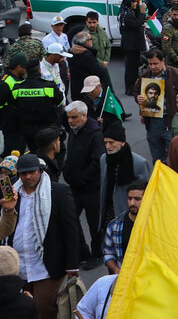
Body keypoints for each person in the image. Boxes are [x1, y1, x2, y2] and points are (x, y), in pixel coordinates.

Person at [10, 152, 81, 319]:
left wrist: (72, 264)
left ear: (40, 171)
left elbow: (71, 229)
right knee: (27, 311)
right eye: (22, 174)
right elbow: (3, 227)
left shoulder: (57, 192)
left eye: (31, 172)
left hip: (47, 264)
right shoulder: (12, 194)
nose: (27, 177)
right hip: (20, 264)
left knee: (45, 309)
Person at [62, 101, 105, 264]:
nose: (70, 121)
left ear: (84, 116)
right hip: (75, 186)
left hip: (91, 187)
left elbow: (97, 161)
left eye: (74, 117)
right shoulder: (75, 131)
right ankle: (82, 251)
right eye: (68, 118)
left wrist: (82, 178)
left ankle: (98, 254)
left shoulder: (95, 134)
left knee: (94, 224)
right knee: (70, 218)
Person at [99, 123, 151, 235]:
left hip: (129, 215)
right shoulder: (104, 159)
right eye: (105, 143)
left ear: (122, 142)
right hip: (109, 212)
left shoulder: (139, 163)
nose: (108, 146)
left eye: (111, 142)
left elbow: (147, 194)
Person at [136, 48, 178, 163]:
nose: (152, 67)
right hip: (153, 121)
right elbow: (136, 90)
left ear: (163, 61)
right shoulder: (145, 76)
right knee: (157, 157)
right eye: (150, 64)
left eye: (155, 63)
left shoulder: (176, 75)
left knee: (173, 155)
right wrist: (138, 98)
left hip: (172, 119)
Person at [102, 180, 146, 274]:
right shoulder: (115, 225)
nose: (132, 203)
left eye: (137, 199)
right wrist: (115, 269)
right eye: (129, 198)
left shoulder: (154, 226)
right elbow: (108, 253)